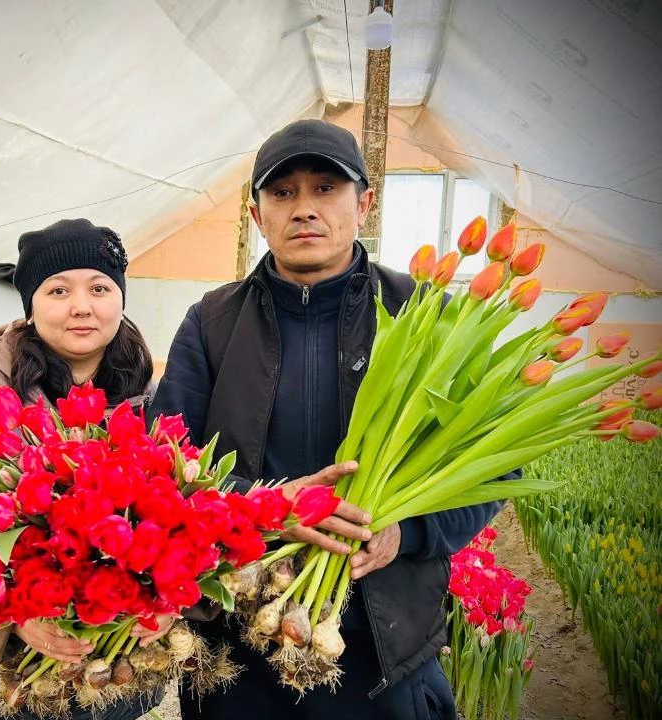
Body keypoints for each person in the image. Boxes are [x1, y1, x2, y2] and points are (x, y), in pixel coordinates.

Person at [147, 119, 505, 720]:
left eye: (325, 188)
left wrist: (408, 532)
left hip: (381, 647)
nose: (304, 208)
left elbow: (491, 466)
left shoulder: (426, 316)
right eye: (282, 192)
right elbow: (167, 463)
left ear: (364, 204)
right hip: (241, 638)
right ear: (258, 216)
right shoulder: (212, 323)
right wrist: (265, 506)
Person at [0, 218, 173, 720]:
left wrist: (167, 601)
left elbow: (184, 531)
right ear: (31, 304)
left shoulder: (157, 405)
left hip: (108, 694)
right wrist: (8, 616)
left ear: (120, 299)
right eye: (58, 290)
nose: (81, 306)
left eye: (100, 288)